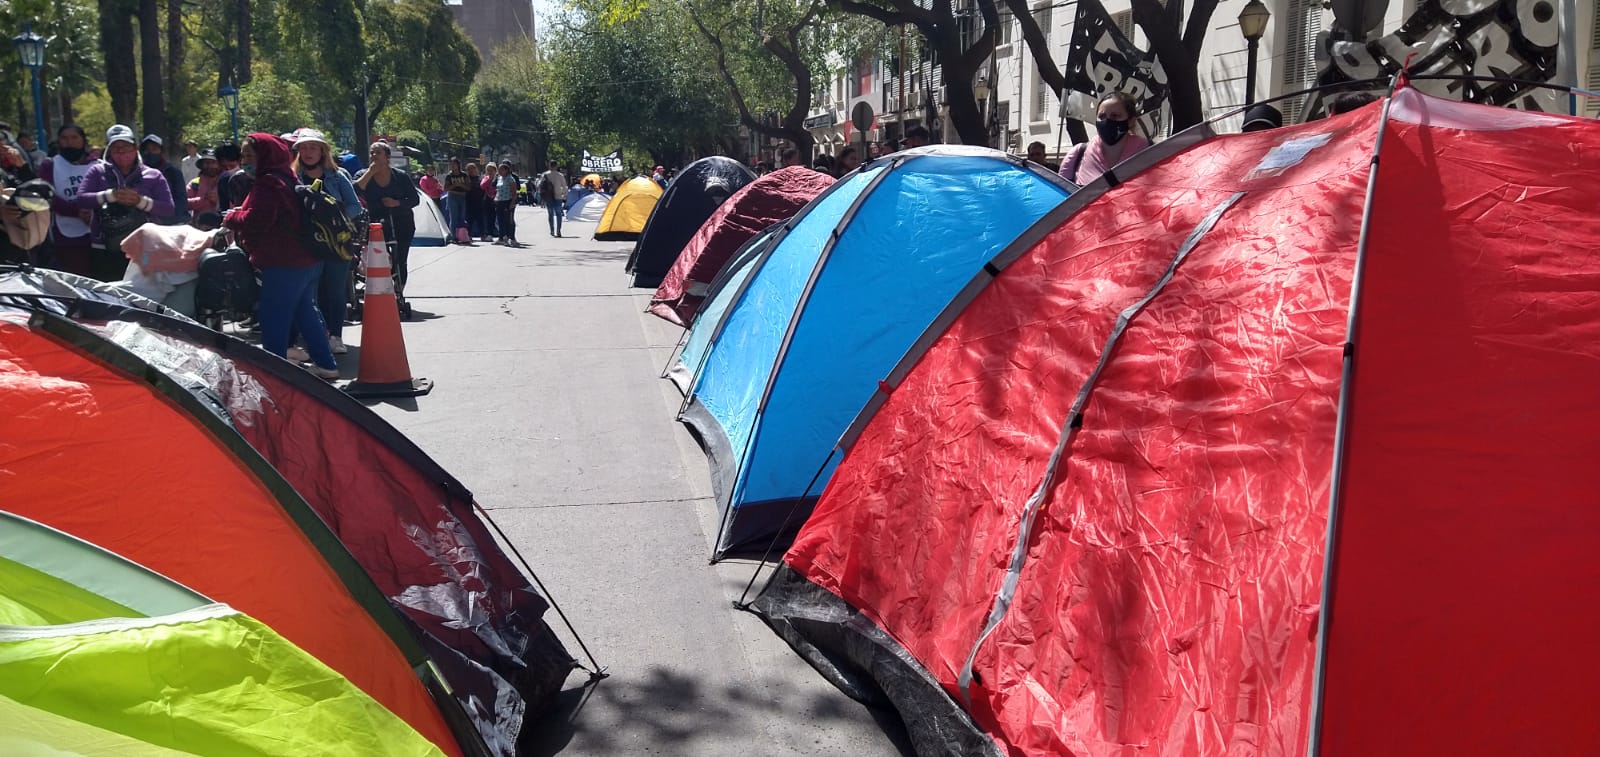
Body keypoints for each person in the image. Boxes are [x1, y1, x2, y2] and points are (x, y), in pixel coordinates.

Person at [223, 133, 339, 379]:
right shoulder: (287, 176)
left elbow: (257, 219)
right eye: (243, 155)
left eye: (250, 155)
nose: (245, 161)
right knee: (305, 312)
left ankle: (274, 374)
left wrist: (232, 217)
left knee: (273, 316)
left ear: (265, 156)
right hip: (306, 258)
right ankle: (326, 365)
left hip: (283, 261)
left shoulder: (268, 183)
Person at [75, 124, 175, 281]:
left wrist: (140, 201)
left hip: (144, 248)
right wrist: (110, 196)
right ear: (109, 151)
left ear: (135, 148)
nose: (121, 152)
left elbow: (168, 208)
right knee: (107, 289)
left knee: (145, 287)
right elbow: (81, 199)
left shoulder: (153, 175)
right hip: (104, 247)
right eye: (116, 148)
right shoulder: (97, 171)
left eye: (126, 147)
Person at [293, 129, 362, 354]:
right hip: (306, 244)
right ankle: (316, 336)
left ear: (323, 151)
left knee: (335, 291)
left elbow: (355, 206)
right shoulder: (293, 177)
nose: (308, 152)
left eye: (313, 147)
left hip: (336, 244)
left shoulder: (337, 176)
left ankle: (336, 335)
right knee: (309, 292)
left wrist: (334, 220)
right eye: (304, 148)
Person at [354, 142, 420, 310]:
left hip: (401, 222)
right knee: (373, 259)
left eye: (378, 153)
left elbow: (414, 199)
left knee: (400, 259)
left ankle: (398, 293)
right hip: (373, 224)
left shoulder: (400, 176)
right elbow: (355, 191)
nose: (374, 156)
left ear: (387, 157)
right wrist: (370, 173)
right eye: (371, 153)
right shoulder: (363, 174)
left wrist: (397, 203)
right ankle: (371, 292)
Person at [37, 124, 97, 276]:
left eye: (74, 137)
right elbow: (46, 195)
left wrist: (94, 212)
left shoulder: (97, 164)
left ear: (83, 140)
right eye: (64, 138)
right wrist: (76, 212)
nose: (69, 142)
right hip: (67, 238)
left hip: (99, 233)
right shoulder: (50, 165)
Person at [1059, 91, 1150, 186]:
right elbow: (1061, 192)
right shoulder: (1077, 154)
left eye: (1115, 116)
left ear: (1131, 121)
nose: (1107, 121)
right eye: (1102, 116)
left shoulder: (1149, 153)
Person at [140, 135, 188, 225]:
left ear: (161, 151)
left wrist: (169, 222)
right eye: (146, 150)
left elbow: (181, 201)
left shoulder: (172, 172)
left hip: (170, 223)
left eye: (154, 149)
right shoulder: (138, 173)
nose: (150, 153)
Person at [186, 150, 222, 223]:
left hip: (220, 225)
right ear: (202, 165)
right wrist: (203, 199)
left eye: (213, 162)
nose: (210, 166)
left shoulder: (226, 182)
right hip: (199, 226)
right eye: (207, 163)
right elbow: (184, 203)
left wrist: (218, 200)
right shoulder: (194, 183)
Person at [537, 160, 567, 237]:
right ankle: (558, 230)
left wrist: (542, 196)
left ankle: (552, 230)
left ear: (549, 166)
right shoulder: (560, 175)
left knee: (550, 214)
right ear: (556, 166)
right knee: (558, 214)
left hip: (548, 197)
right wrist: (564, 195)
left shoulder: (545, 175)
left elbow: (539, 185)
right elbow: (564, 186)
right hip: (558, 196)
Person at [442, 159, 470, 242]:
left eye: (454, 164)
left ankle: (463, 235)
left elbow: (468, 187)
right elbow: (445, 188)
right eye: (451, 164)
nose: (452, 166)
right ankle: (453, 237)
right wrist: (454, 185)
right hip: (452, 196)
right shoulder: (449, 176)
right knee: (453, 217)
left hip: (462, 196)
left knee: (462, 217)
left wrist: (461, 185)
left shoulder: (464, 175)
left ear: (458, 165)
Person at [493, 161, 519, 246]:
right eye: (499, 169)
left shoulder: (510, 179)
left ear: (506, 170)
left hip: (508, 201)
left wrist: (512, 202)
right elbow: (497, 189)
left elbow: (514, 192)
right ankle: (501, 238)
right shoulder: (499, 178)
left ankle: (512, 238)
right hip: (499, 201)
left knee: (509, 221)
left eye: (501, 169)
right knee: (500, 221)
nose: (499, 171)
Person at [214, 143, 245, 210]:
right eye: (225, 167)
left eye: (232, 166)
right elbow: (223, 205)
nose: (228, 169)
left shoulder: (249, 178)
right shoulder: (223, 179)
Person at [464, 161, 487, 241]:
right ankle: (468, 235)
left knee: (480, 220)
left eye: (472, 169)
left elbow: (485, 189)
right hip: (469, 202)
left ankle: (483, 235)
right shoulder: (466, 179)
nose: (471, 171)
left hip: (479, 202)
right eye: (469, 169)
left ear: (476, 169)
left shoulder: (481, 179)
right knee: (469, 220)